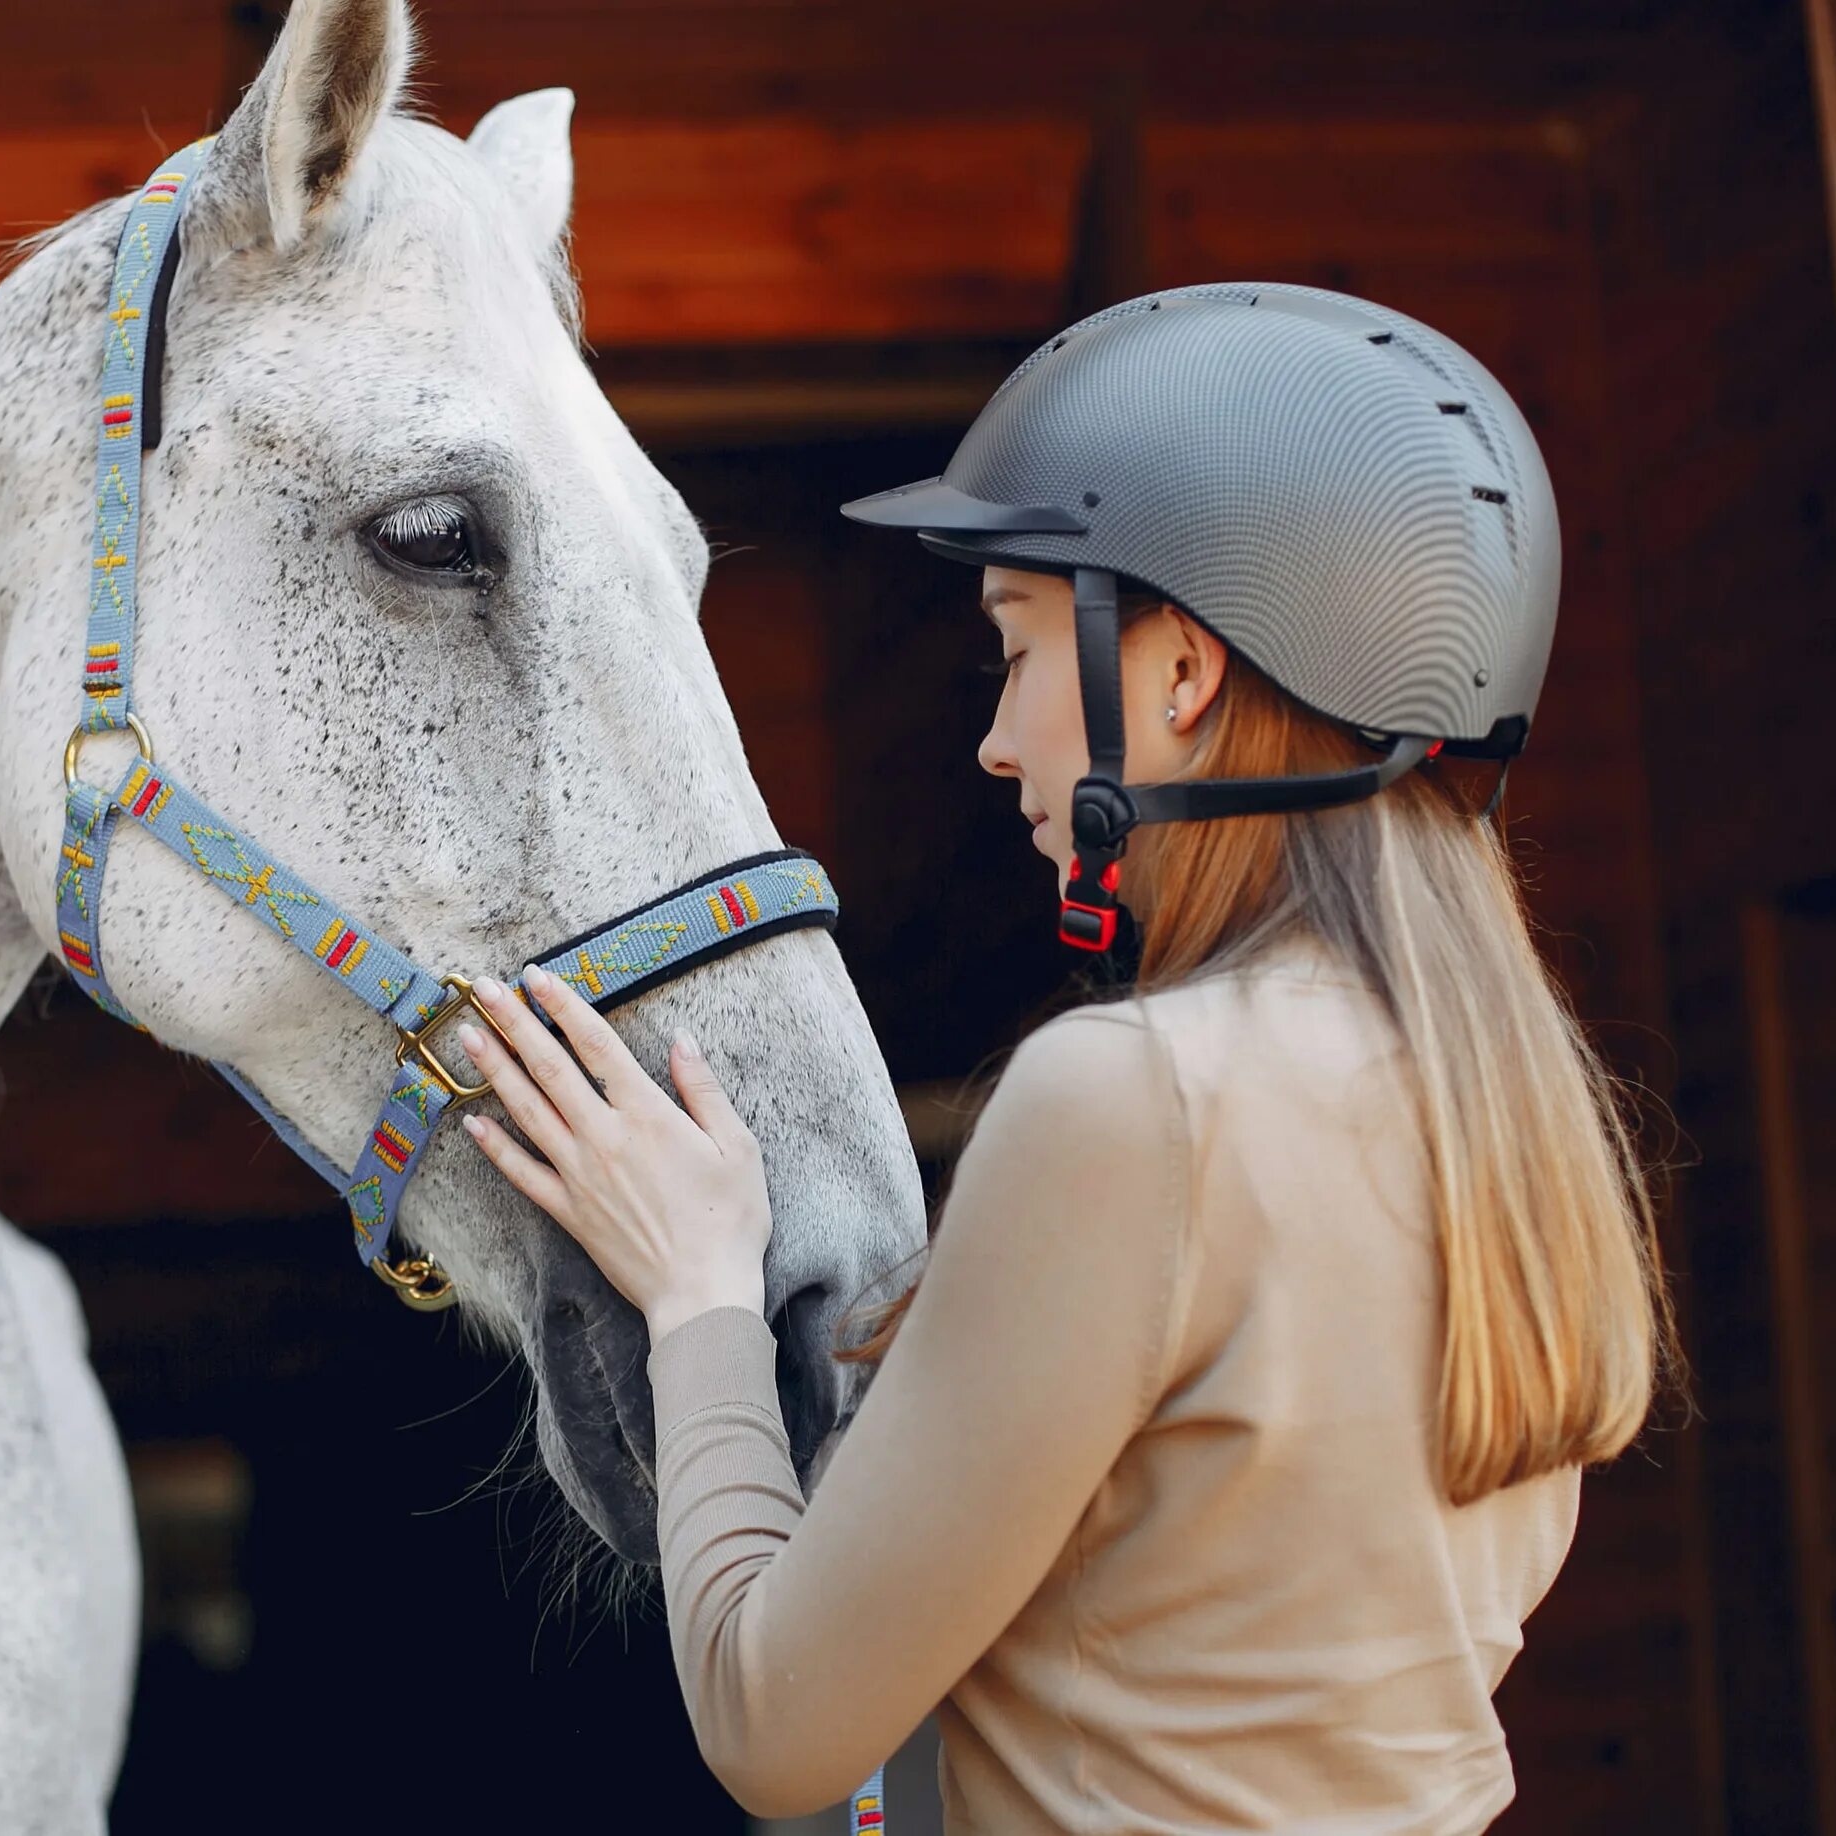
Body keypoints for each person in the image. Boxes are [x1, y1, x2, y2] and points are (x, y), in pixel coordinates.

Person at [444, 284, 1670, 1832]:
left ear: (1180, 672)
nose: (999, 738)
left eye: (1018, 649)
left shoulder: (1136, 1100)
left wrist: (697, 1293)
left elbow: (777, 1725)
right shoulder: (1514, 1105)